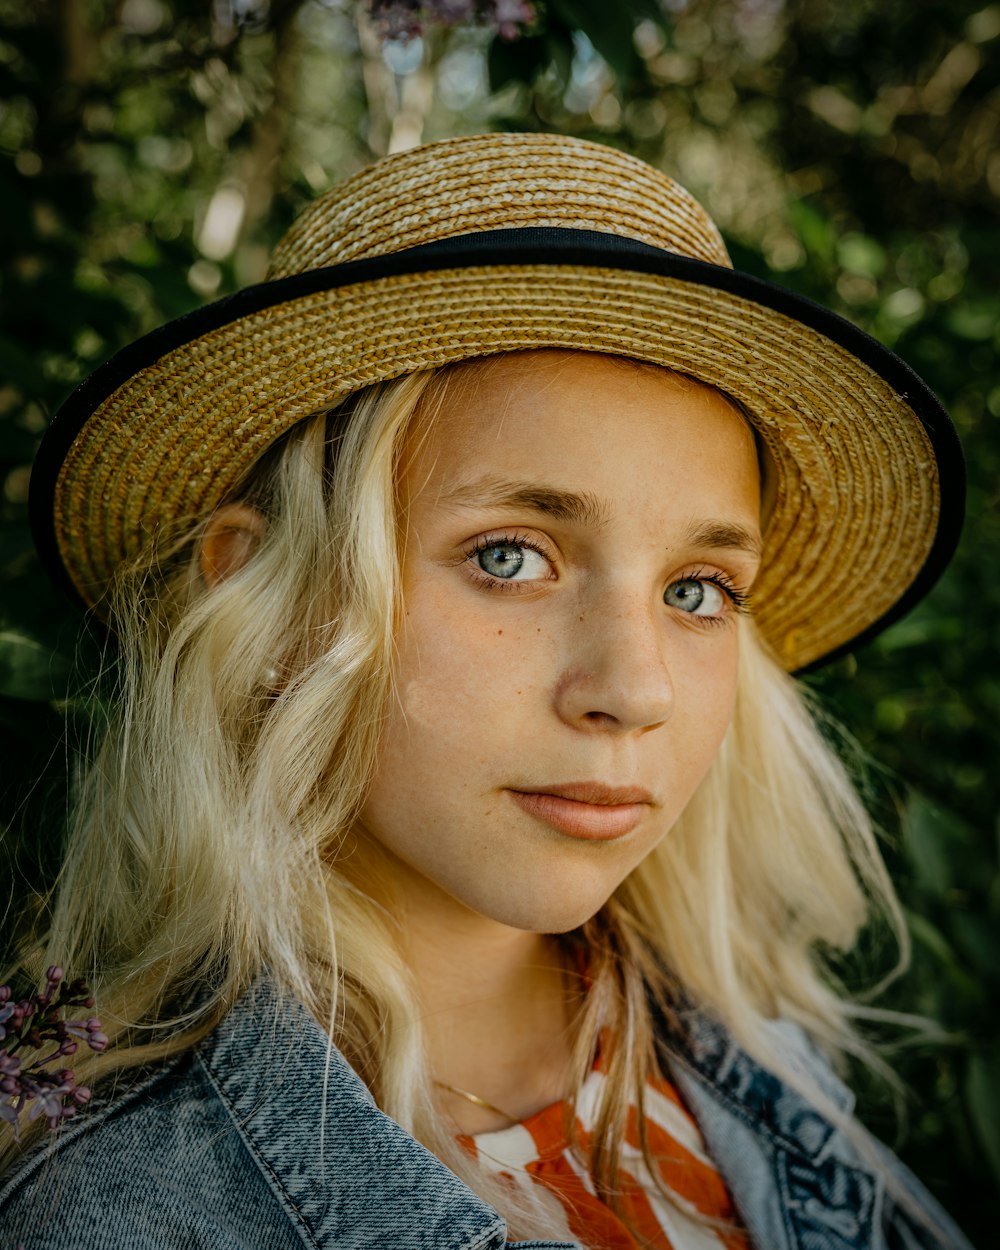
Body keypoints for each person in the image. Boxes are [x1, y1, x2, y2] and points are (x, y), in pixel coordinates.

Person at [0, 132, 973, 1250]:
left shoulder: (758, 1053)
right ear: (271, 600)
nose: (632, 688)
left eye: (698, 588)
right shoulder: (119, 1206)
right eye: (510, 555)